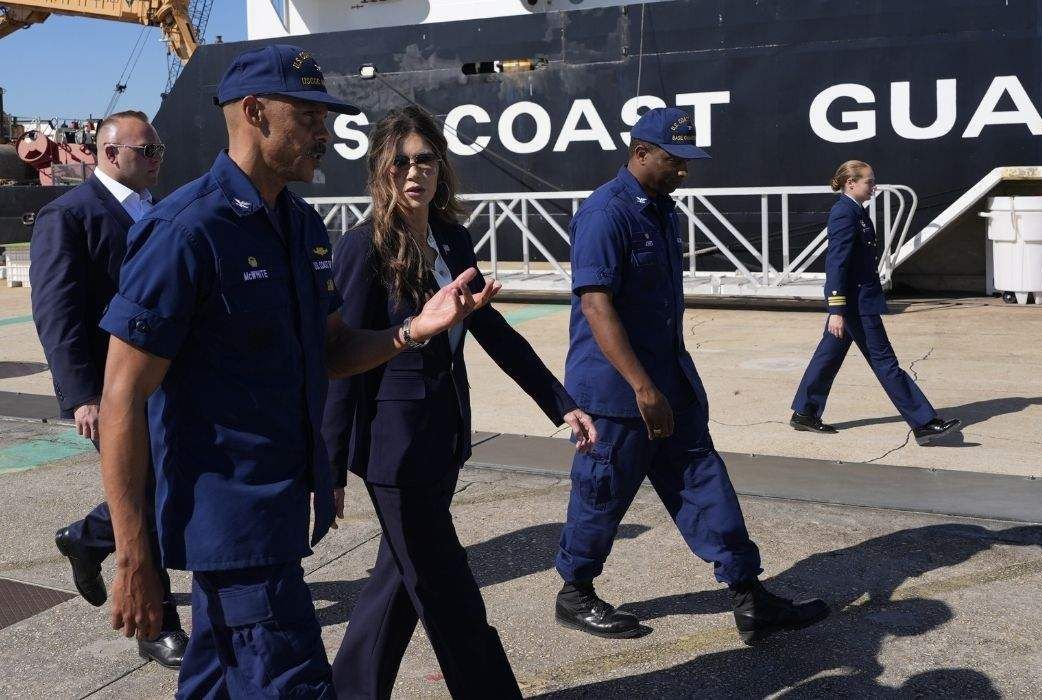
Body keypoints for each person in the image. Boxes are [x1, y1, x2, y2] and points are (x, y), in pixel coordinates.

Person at [96, 45, 497, 698]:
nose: (326, 131)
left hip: (279, 511)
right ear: (255, 113)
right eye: (309, 115)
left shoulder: (301, 225)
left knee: (216, 683)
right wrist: (134, 556)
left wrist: (413, 329)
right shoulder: (187, 232)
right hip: (233, 524)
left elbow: (334, 350)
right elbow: (122, 397)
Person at [323, 105, 597, 699]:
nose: (413, 173)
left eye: (425, 160)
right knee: (449, 594)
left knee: (396, 584)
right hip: (394, 453)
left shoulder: (450, 237)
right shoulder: (362, 249)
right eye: (399, 164)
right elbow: (340, 362)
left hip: (444, 437)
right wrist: (330, 466)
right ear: (380, 171)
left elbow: (491, 330)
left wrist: (558, 402)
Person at [555, 107, 830, 646]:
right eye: (673, 161)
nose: (684, 171)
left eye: (687, 162)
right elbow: (596, 307)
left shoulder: (661, 211)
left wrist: (663, 386)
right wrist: (642, 388)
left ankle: (749, 596)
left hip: (669, 383)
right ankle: (575, 592)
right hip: (617, 393)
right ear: (639, 153)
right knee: (601, 493)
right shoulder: (605, 213)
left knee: (706, 485)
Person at [29, 110, 187, 668]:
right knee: (143, 501)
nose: (157, 159)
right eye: (146, 151)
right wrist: (81, 396)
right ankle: (154, 622)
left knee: (161, 488)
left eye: (158, 150)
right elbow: (57, 312)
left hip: (164, 382)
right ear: (109, 154)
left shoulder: (161, 212)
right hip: (111, 388)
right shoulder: (67, 216)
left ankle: (89, 537)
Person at [789, 160, 961, 445]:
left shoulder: (856, 211)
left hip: (858, 301)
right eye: (869, 181)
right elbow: (837, 263)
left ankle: (805, 412)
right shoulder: (844, 213)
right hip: (856, 304)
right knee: (886, 363)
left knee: (828, 356)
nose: (874, 187)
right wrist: (836, 309)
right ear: (851, 183)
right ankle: (924, 422)